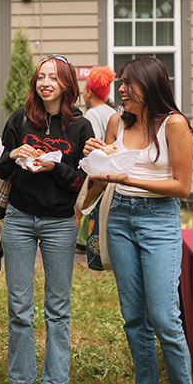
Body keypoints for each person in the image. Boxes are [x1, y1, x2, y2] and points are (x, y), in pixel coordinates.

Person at [83, 56, 193, 384]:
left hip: (159, 219)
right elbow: (100, 179)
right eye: (121, 82)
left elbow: (183, 187)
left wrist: (131, 177)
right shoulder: (116, 122)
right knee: (133, 313)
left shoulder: (174, 124)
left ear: (151, 85)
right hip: (120, 217)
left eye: (129, 83)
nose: (122, 89)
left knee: (164, 315)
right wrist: (94, 161)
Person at [0, 54, 93, 384]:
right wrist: (13, 154)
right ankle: (22, 379)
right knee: (19, 306)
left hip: (60, 222)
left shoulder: (80, 128)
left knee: (57, 306)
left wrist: (55, 166)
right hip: (19, 217)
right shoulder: (19, 120)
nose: (45, 82)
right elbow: (0, 168)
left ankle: (53, 383)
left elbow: (81, 180)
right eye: (41, 76)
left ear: (67, 84)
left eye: (53, 77)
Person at [76, 65, 116, 248]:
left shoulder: (92, 114)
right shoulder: (112, 112)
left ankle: (74, 245)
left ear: (90, 92)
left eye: (84, 90)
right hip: (113, 170)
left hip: (95, 172)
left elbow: (90, 145)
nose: (83, 95)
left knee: (77, 210)